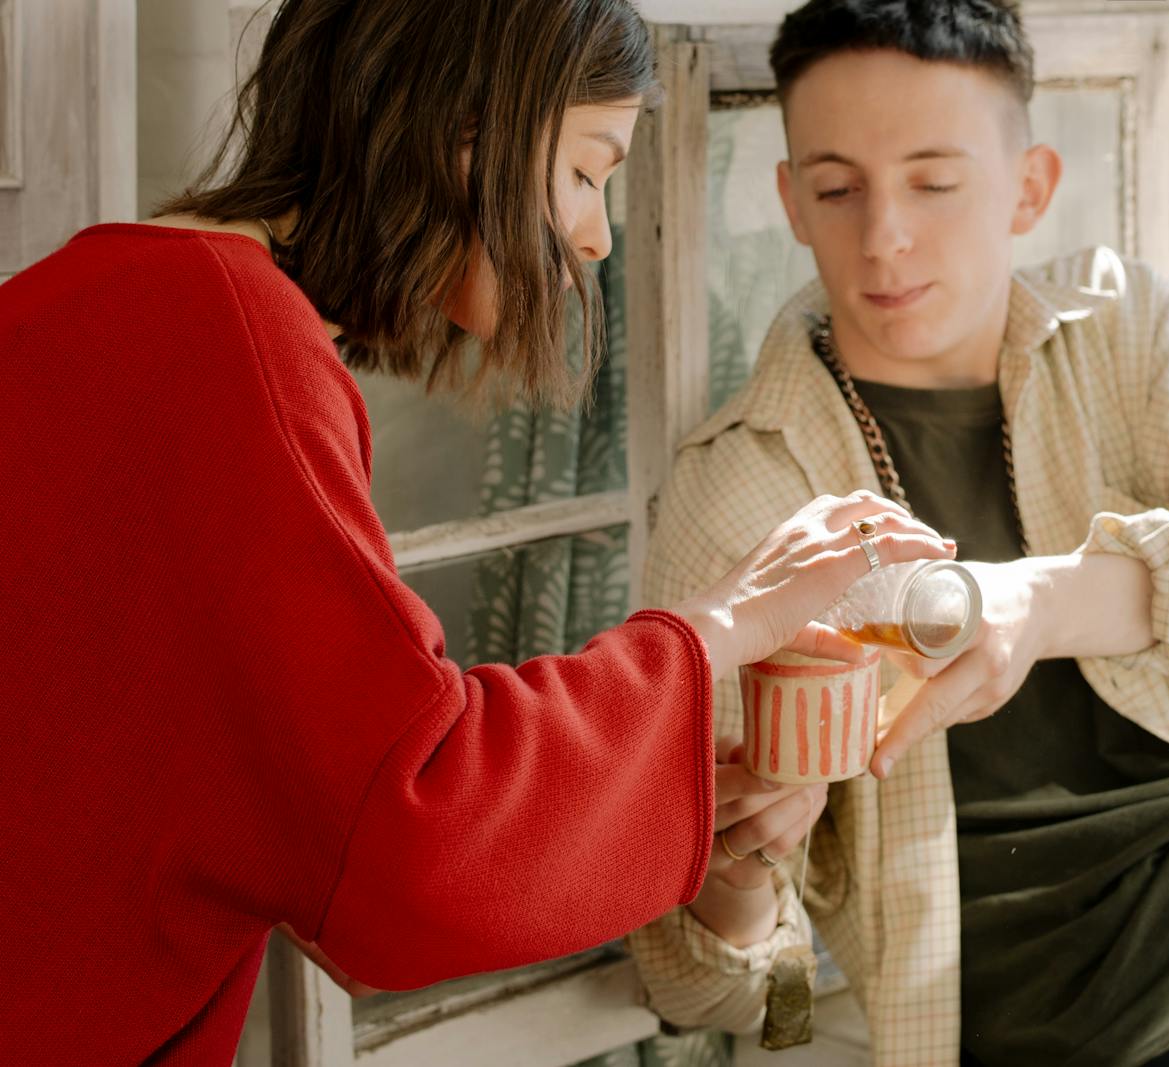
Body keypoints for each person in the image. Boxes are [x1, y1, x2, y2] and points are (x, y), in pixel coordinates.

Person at [0, 1, 956, 1063]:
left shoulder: (109, 294)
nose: (596, 234)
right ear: (463, 130)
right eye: (589, 169)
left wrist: (652, 784)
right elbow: (411, 844)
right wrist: (729, 619)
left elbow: (325, 853)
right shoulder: (230, 339)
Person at [627, 2, 1169, 1065]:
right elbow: (712, 990)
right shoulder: (744, 492)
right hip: (1113, 1007)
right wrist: (737, 883)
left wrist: (1040, 602)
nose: (883, 235)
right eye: (838, 189)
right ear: (791, 200)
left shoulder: (1117, 330)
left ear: (1030, 189)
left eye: (933, 182)